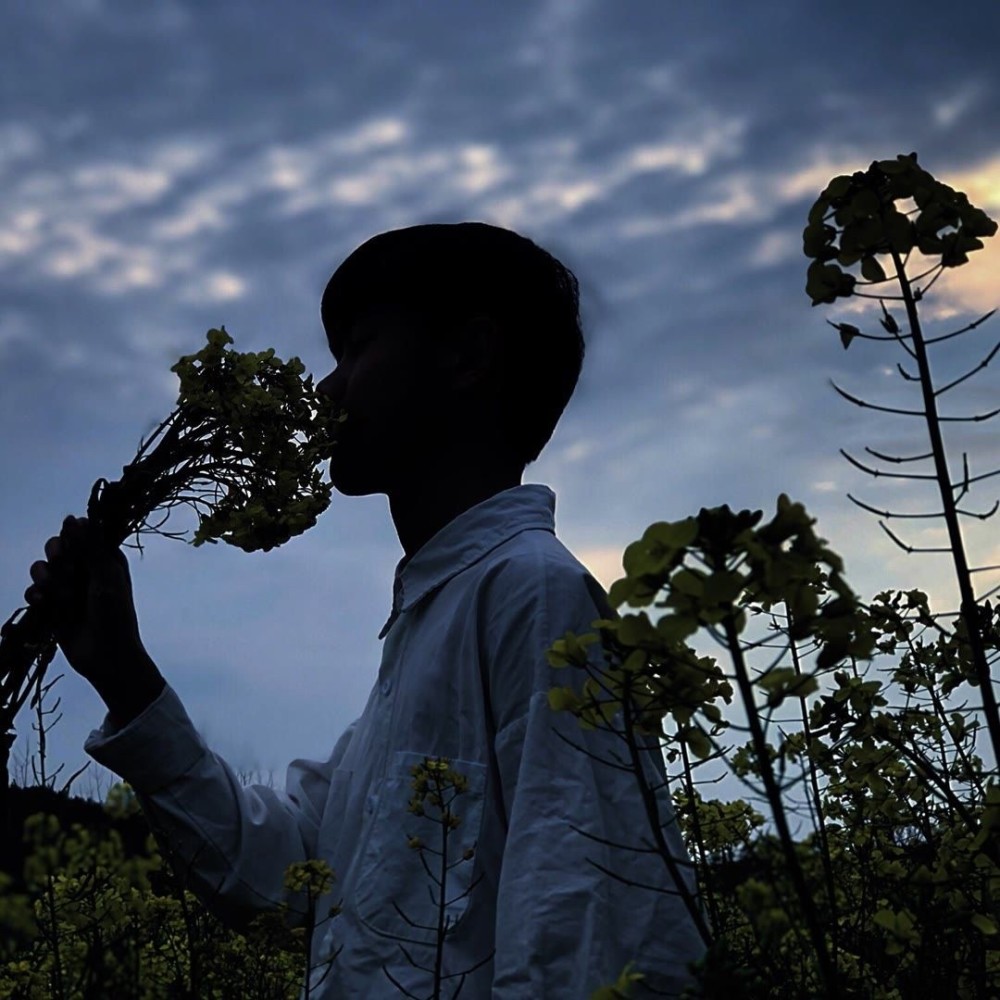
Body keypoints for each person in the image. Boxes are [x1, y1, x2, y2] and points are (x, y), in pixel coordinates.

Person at [24, 222, 706, 997]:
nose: (327, 386)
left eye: (361, 346)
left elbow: (590, 940)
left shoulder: (531, 595)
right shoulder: (429, 627)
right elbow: (293, 877)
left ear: (469, 358)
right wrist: (126, 679)